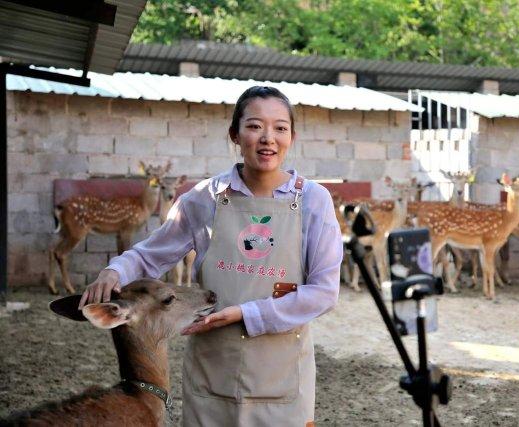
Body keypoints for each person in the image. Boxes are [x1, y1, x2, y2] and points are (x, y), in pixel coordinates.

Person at [79, 86, 343, 426]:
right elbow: (150, 256)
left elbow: (324, 292)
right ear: (234, 133)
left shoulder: (313, 201)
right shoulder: (204, 198)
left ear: (292, 136)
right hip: (213, 372)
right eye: (254, 126)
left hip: (283, 375)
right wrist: (114, 272)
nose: (268, 138)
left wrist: (246, 313)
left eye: (280, 127)